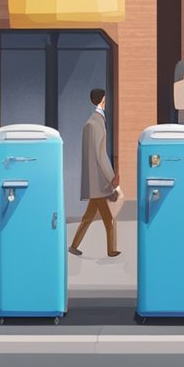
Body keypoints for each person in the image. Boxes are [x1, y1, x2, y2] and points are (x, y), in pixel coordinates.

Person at [69, 88, 120, 258]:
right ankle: (110, 250)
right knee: (108, 219)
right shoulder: (95, 124)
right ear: (103, 100)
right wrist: (111, 177)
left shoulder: (91, 123)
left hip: (95, 183)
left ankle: (74, 245)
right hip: (98, 183)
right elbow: (100, 156)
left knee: (89, 217)